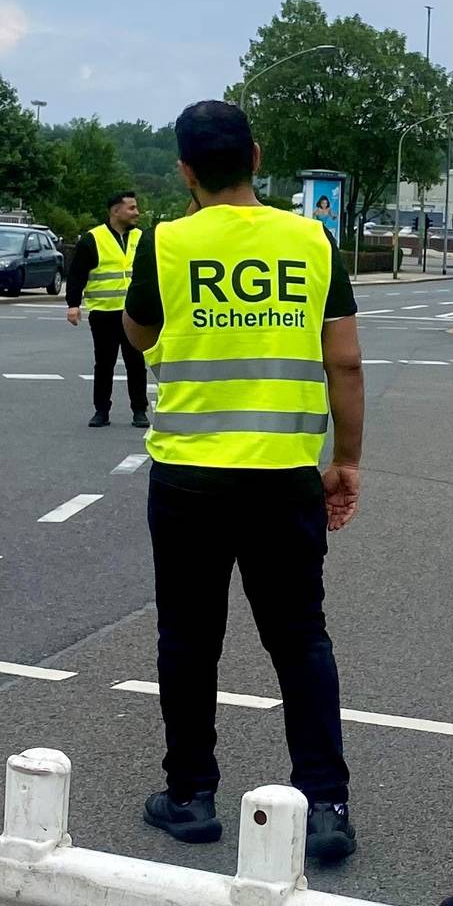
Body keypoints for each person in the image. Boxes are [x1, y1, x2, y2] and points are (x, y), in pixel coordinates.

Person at [122, 99, 367, 863]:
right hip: (283, 477)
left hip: (189, 477)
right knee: (301, 640)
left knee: (189, 638)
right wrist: (346, 460)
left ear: (185, 171)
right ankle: (325, 805)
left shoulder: (164, 242)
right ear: (256, 157)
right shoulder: (312, 241)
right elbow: (345, 361)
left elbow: (141, 332)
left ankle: (191, 796)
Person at [64, 191, 150, 428]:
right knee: (104, 364)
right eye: (131, 208)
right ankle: (101, 410)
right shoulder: (93, 239)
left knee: (136, 363)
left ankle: (139, 410)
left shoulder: (142, 238)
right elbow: (77, 274)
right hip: (104, 313)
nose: (137, 213)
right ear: (115, 211)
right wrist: (73, 304)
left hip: (134, 313)